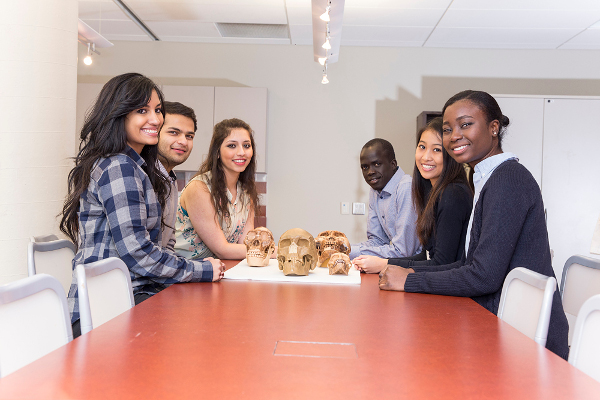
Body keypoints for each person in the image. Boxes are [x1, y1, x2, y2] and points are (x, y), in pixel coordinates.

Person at [378, 90, 569, 359]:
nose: (454, 135)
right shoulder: (486, 179)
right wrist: (405, 273)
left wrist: (411, 280)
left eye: (465, 124)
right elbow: (469, 264)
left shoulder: (508, 180)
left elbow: (483, 276)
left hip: (528, 345)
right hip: (501, 327)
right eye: (447, 129)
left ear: (493, 128)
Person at [60, 73, 225, 336]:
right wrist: (201, 269)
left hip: (123, 299)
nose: (155, 119)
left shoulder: (134, 167)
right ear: (119, 114)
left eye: (158, 110)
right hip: (107, 310)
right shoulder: (119, 167)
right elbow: (137, 253)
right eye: (141, 110)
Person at [353, 118, 473, 273]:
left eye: (436, 150)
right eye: (422, 147)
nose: (426, 157)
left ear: (451, 154)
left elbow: (441, 264)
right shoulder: (430, 191)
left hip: (454, 291)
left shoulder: (452, 194)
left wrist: (385, 264)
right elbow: (426, 256)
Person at [174, 118, 260, 260]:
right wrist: (277, 251)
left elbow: (246, 244)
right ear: (217, 152)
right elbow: (222, 250)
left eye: (246, 145)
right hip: (184, 273)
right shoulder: (199, 188)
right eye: (232, 146)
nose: (241, 152)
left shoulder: (246, 191)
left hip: (221, 270)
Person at [349, 138, 421, 259]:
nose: (370, 172)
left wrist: (346, 252)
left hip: (418, 268)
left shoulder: (406, 188)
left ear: (393, 164)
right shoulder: (375, 190)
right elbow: (377, 242)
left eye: (377, 164)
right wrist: (343, 249)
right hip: (398, 264)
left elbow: (403, 251)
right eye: (365, 167)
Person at [157, 101, 197, 250]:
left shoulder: (170, 179)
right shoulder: (141, 176)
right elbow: (142, 253)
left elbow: (168, 244)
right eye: (174, 132)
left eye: (189, 136)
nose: (183, 141)